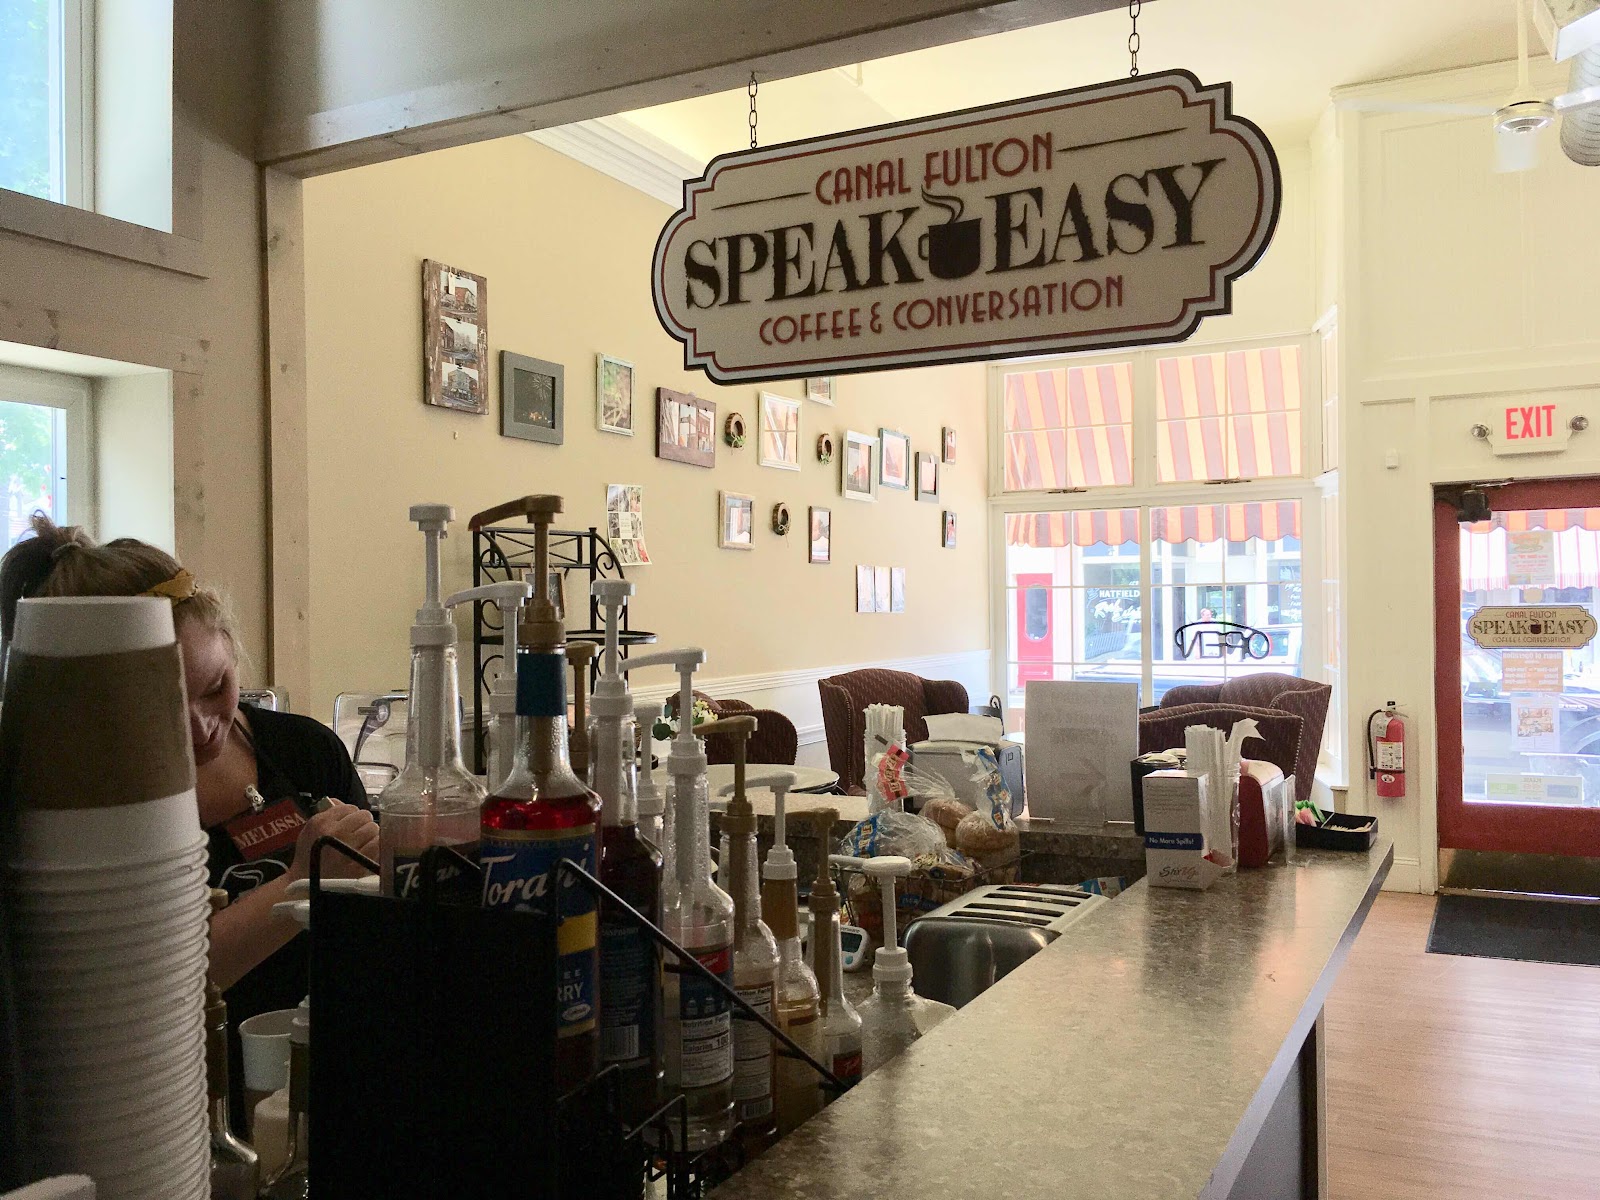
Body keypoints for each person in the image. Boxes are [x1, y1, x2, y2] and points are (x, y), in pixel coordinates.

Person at [0, 515, 380, 1125]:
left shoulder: (305, 750)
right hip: (171, 1107)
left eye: (215, 687)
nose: (204, 728)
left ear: (229, 643)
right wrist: (298, 884)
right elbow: (144, 982)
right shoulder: (86, 816)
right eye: (167, 710)